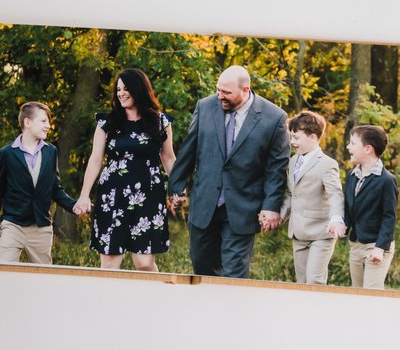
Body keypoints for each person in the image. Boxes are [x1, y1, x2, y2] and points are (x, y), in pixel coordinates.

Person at [168, 65, 290, 278]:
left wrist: (271, 206)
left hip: (244, 207)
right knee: (202, 269)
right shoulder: (205, 107)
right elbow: (189, 149)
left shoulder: (274, 117)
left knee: (234, 275)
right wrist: (177, 187)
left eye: (226, 92)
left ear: (245, 90)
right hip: (204, 203)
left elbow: (276, 168)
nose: (219, 96)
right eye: (218, 90)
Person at [75, 68, 176, 271]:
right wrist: (84, 195)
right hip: (113, 196)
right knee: (110, 263)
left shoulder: (160, 122)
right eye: (118, 89)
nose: (121, 93)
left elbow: (168, 157)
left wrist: (177, 190)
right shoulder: (106, 122)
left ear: (139, 89)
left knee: (144, 264)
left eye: (125, 89)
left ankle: (153, 293)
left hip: (148, 195)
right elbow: (95, 159)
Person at [0, 101, 81, 264]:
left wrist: (73, 206)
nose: (48, 126)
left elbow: (55, 188)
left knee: (43, 275)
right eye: (43, 121)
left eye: (48, 122)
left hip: (41, 228)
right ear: (27, 122)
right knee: (4, 271)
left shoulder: (51, 151)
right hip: (13, 225)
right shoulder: (6, 153)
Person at [279, 111, 345, 285]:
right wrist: (280, 216)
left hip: (321, 233)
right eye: (291, 137)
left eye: (296, 137)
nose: (292, 142)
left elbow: (335, 194)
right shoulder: (293, 161)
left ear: (313, 137)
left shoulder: (327, 164)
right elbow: (292, 194)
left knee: (314, 281)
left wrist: (337, 219)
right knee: (301, 282)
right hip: (298, 232)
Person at [345, 125, 398, 289]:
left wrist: (380, 248)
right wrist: (341, 224)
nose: (348, 147)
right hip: (356, 244)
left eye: (353, 143)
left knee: (371, 293)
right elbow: (350, 208)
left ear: (368, 149)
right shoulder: (352, 175)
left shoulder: (387, 180)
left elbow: (389, 217)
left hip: (376, 245)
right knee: (357, 292)